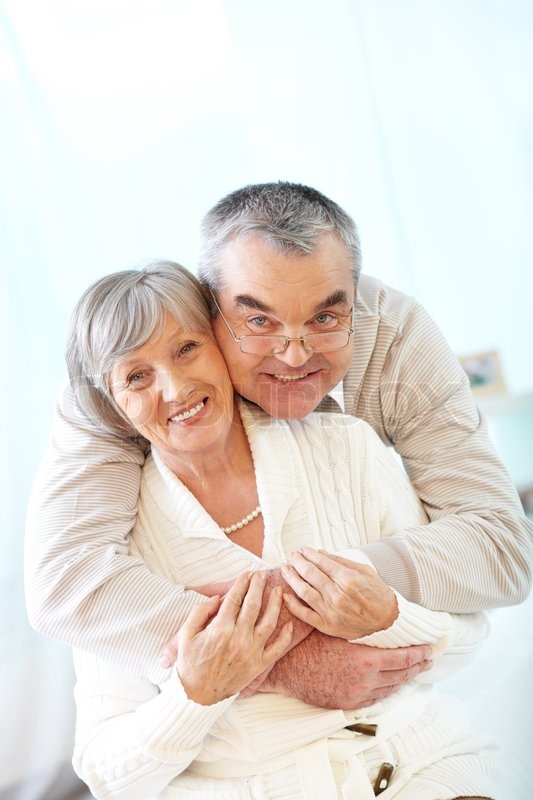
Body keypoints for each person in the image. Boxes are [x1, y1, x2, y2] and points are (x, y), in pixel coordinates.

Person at [25, 181, 532, 709]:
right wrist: (279, 661)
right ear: (209, 308)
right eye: (259, 321)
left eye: (325, 318)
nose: (294, 356)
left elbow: (502, 547)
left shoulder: (397, 336)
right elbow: (63, 580)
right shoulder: (125, 383)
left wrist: (328, 592)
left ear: (355, 298)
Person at [68, 261, 496, 799]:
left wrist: (388, 618)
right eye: (136, 376)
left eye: (186, 349)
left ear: (223, 346)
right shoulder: (114, 545)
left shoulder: (347, 448)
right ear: (112, 403)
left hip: (415, 761)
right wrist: (195, 693)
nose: (175, 389)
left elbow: (468, 643)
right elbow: (104, 771)